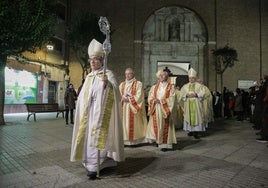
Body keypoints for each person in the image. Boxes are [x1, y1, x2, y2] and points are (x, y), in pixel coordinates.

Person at [70, 39, 124, 180]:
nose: (92, 62)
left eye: (95, 59)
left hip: (101, 114)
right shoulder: (88, 76)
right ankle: (89, 162)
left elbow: (115, 92)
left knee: (98, 138)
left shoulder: (108, 74)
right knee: (88, 137)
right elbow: (82, 97)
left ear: (102, 61)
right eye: (91, 60)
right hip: (88, 115)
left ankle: (94, 167)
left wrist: (107, 84)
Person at [145, 70, 177, 152]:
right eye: (161, 76)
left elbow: (172, 99)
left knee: (164, 126)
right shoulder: (154, 87)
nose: (162, 77)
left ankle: (165, 144)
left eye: (164, 76)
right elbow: (150, 97)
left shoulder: (171, 87)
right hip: (156, 108)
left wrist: (162, 101)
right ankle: (158, 141)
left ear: (167, 77)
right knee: (156, 126)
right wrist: (153, 101)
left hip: (164, 109)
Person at [119, 68, 147, 146]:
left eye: (129, 73)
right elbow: (118, 95)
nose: (127, 75)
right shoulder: (122, 84)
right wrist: (122, 98)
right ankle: (124, 140)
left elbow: (139, 96)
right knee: (124, 123)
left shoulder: (138, 84)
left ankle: (135, 141)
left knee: (134, 124)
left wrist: (129, 99)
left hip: (133, 107)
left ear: (133, 74)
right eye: (126, 74)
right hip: (124, 107)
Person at [180, 68, 205, 139]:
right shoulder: (185, 86)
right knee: (189, 117)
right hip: (188, 104)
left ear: (195, 78)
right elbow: (181, 94)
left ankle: (196, 132)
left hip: (196, 104)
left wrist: (196, 95)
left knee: (197, 117)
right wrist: (186, 95)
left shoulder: (199, 86)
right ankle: (190, 130)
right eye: (190, 78)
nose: (191, 79)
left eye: (193, 78)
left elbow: (203, 93)